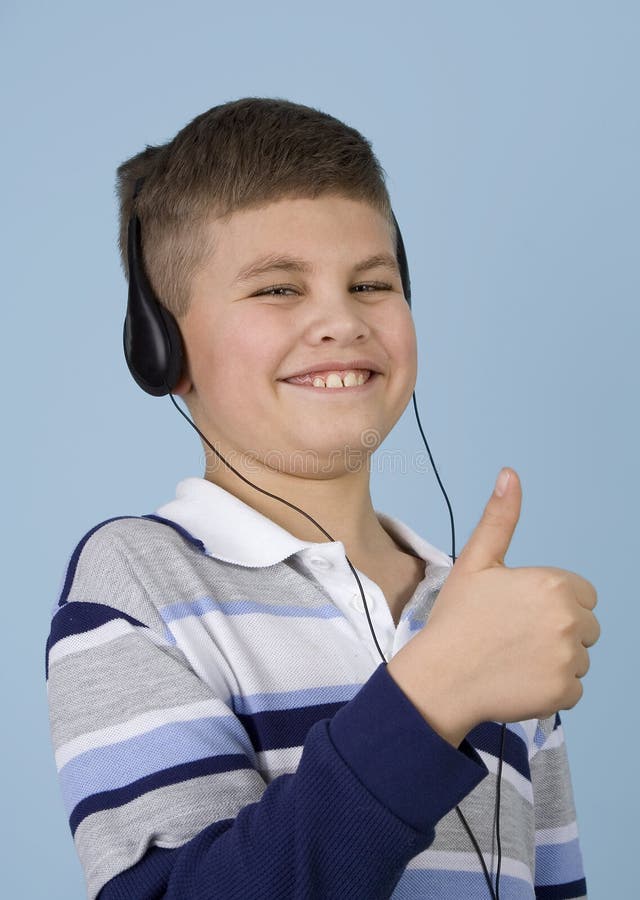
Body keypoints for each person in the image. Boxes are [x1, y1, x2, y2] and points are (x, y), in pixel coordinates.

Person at [45, 97, 600, 900]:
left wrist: (464, 652)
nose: (340, 319)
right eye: (277, 289)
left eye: (372, 282)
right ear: (159, 345)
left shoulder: (484, 615)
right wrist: (434, 691)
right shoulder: (138, 584)